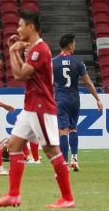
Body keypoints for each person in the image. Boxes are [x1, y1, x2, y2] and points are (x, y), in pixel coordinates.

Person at [0, 10, 75, 208]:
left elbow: (19, 75)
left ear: (30, 27)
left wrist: (12, 52)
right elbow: (24, 74)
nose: (18, 29)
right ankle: (13, 195)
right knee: (14, 146)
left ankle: (68, 198)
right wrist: (16, 52)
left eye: (20, 25)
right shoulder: (33, 49)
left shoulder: (40, 49)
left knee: (51, 149)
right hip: (31, 106)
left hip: (41, 106)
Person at [53, 33, 103, 171]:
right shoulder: (78, 61)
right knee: (73, 128)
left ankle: (64, 163)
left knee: (62, 131)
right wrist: (98, 99)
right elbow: (87, 82)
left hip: (61, 99)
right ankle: (74, 159)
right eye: (74, 43)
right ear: (70, 46)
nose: (75, 46)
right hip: (74, 99)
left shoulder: (53, 62)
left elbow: (48, 83)